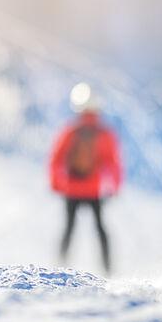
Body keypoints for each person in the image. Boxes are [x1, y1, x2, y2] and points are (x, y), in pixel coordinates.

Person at [48, 108, 122, 274]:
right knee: (100, 228)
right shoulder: (104, 133)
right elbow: (113, 162)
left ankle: (60, 265)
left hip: (72, 188)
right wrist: (115, 186)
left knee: (69, 228)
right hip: (94, 189)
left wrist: (55, 183)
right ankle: (108, 269)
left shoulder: (71, 130)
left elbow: (56, 157)